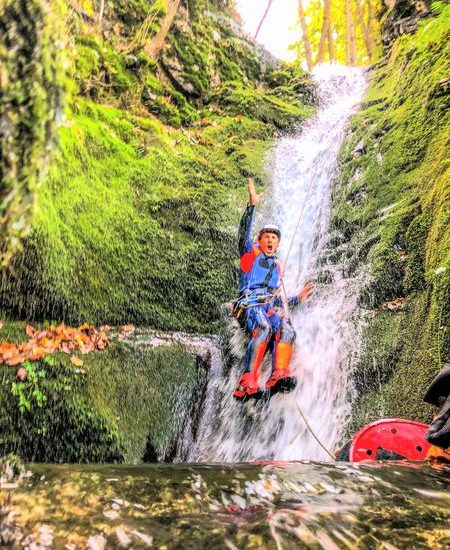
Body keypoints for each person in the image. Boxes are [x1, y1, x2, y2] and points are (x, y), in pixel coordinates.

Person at [233, 177, 314, 399]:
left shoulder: (277, 267)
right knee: (264, 327)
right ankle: (247, 380)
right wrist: (251, 206)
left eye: (273, 238)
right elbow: (242, 237)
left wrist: (298, 299)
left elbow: (278, 301)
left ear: (278, 243)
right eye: (266, 237)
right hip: (249, 306)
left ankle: (279, 373)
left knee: (287, 329)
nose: (270, 241)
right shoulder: (251, 256)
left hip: (267, 306)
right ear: (259, 240)